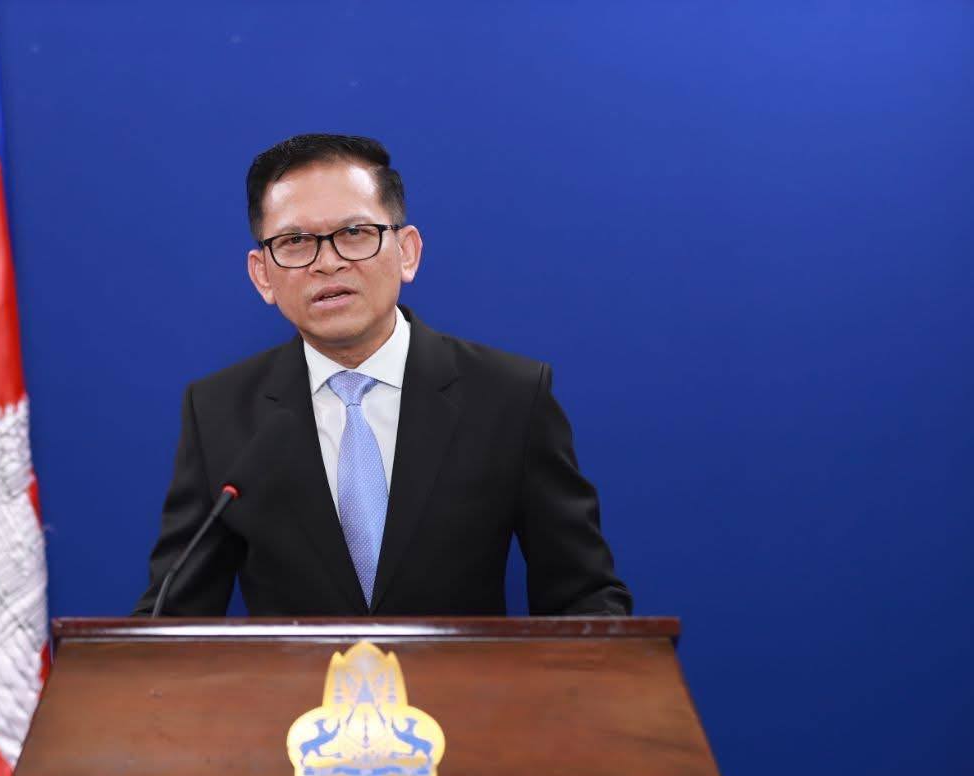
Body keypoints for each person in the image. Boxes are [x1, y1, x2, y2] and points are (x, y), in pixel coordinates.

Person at [133, 134, 630, 617]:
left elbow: (584, 600)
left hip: (459, 678)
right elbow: (170, 619)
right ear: (263, 274)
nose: (327, 262)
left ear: (406, 251)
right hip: (295, 680)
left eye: (354, 233)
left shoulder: (510, 397)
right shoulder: (219, 412)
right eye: (295, 241)